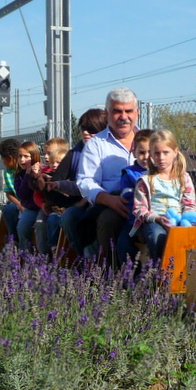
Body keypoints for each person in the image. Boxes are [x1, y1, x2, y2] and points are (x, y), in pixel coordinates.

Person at [72, 88, 140, 262]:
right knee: (108, 221)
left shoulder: (150, 139)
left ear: (137, 113)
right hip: (114, 203)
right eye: (117, 111)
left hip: (151, 202)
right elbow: (86, 181)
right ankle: (112, 276)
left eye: (129, 111)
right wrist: (108, 199)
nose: (124, 117)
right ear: (107, 113)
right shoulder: (96, 145)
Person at [130, 129, 196, 262]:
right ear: (151, 154)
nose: (161, 158)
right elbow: (139, 209)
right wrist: (157, 218)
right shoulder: (146, 180)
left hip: (179, 220)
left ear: (175, 152)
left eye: (166, 152)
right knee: (157, 236)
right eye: (156, 153)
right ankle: (158, 272)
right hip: (154, 222)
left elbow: (189, 204)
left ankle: (185, 272)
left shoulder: (183, 178)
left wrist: (185, 220)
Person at [45, 108, 108, 254]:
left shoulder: (109, 153)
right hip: (79, 204)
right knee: (68, 216)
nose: (86, 132)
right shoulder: (74, 155)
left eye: (91, 129)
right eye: (83, 128)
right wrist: (73, 203)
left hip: (104, 202)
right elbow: (52, 189)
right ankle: (81, 256)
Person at [114, 129, 153, 265]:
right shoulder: (130, 174)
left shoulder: (162, 173)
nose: (146, 157)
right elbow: (129, 200)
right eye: (142, 153)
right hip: (134, 221)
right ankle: (128, 276)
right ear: (134, 151)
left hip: (157, 218)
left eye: (150, 152)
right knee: (123, 243)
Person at [31, 137, 69, 255]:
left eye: (50, 153)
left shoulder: (69, 171)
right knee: (40, 223)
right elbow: (37, 193)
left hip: (64, 207)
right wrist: (42, 206)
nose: (46, 157)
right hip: (47, 207)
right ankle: (44, 255)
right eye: (45, 153)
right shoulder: (45, 172)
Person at [14, 140, 42, 252]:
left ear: (34, 157)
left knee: (42, 226)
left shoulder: (42, 170)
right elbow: (21, 194)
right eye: (20, 156)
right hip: (31, 208)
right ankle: (25, 255)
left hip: (43, 207)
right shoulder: (19, 175)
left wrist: (36, 175)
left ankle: (44, 255)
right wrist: (27, 175)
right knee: (22, 227)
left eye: (26, 156)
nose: (22, 160)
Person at [0, 138, 21, 244]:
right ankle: (14, 239)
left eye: (2, 158)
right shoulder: (8, 172)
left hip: (31, 202)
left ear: (10, 158)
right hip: (17, 202)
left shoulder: (27, 169)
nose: (2, 161)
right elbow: (9, 194)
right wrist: (19, 205)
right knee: (8, 210)